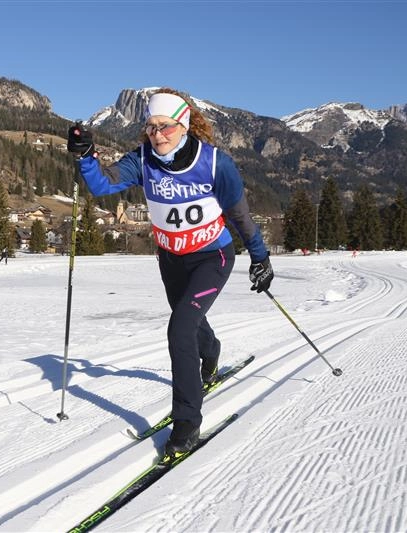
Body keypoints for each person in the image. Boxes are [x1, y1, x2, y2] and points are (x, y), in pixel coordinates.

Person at [67, 88, 274, 460]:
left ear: (184, 125)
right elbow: (102, 184)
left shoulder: (214, 163)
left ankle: (187, 423)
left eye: (164, 127)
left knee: (179, 327)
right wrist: (85, 156)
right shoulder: (144, 159)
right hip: (171, 259)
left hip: (213, 257)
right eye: (150, 127)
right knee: (189, 320)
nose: (157, 135)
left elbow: (240, 215)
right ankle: (211, 352)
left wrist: (260, 258)